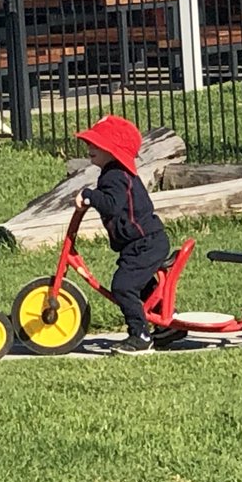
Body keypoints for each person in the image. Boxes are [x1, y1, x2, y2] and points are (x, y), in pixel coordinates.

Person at [73, 115, 170, 355]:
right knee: (141, 285)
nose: (90, 148)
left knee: (123, 287)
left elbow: (111, 205)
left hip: (144, 243)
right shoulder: (114, 173)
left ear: (113, 150)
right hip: (143, 241)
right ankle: (167, 324)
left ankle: (140, 335)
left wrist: (89, 195)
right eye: (89, 143)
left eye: (96, 144)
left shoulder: (114, 175)